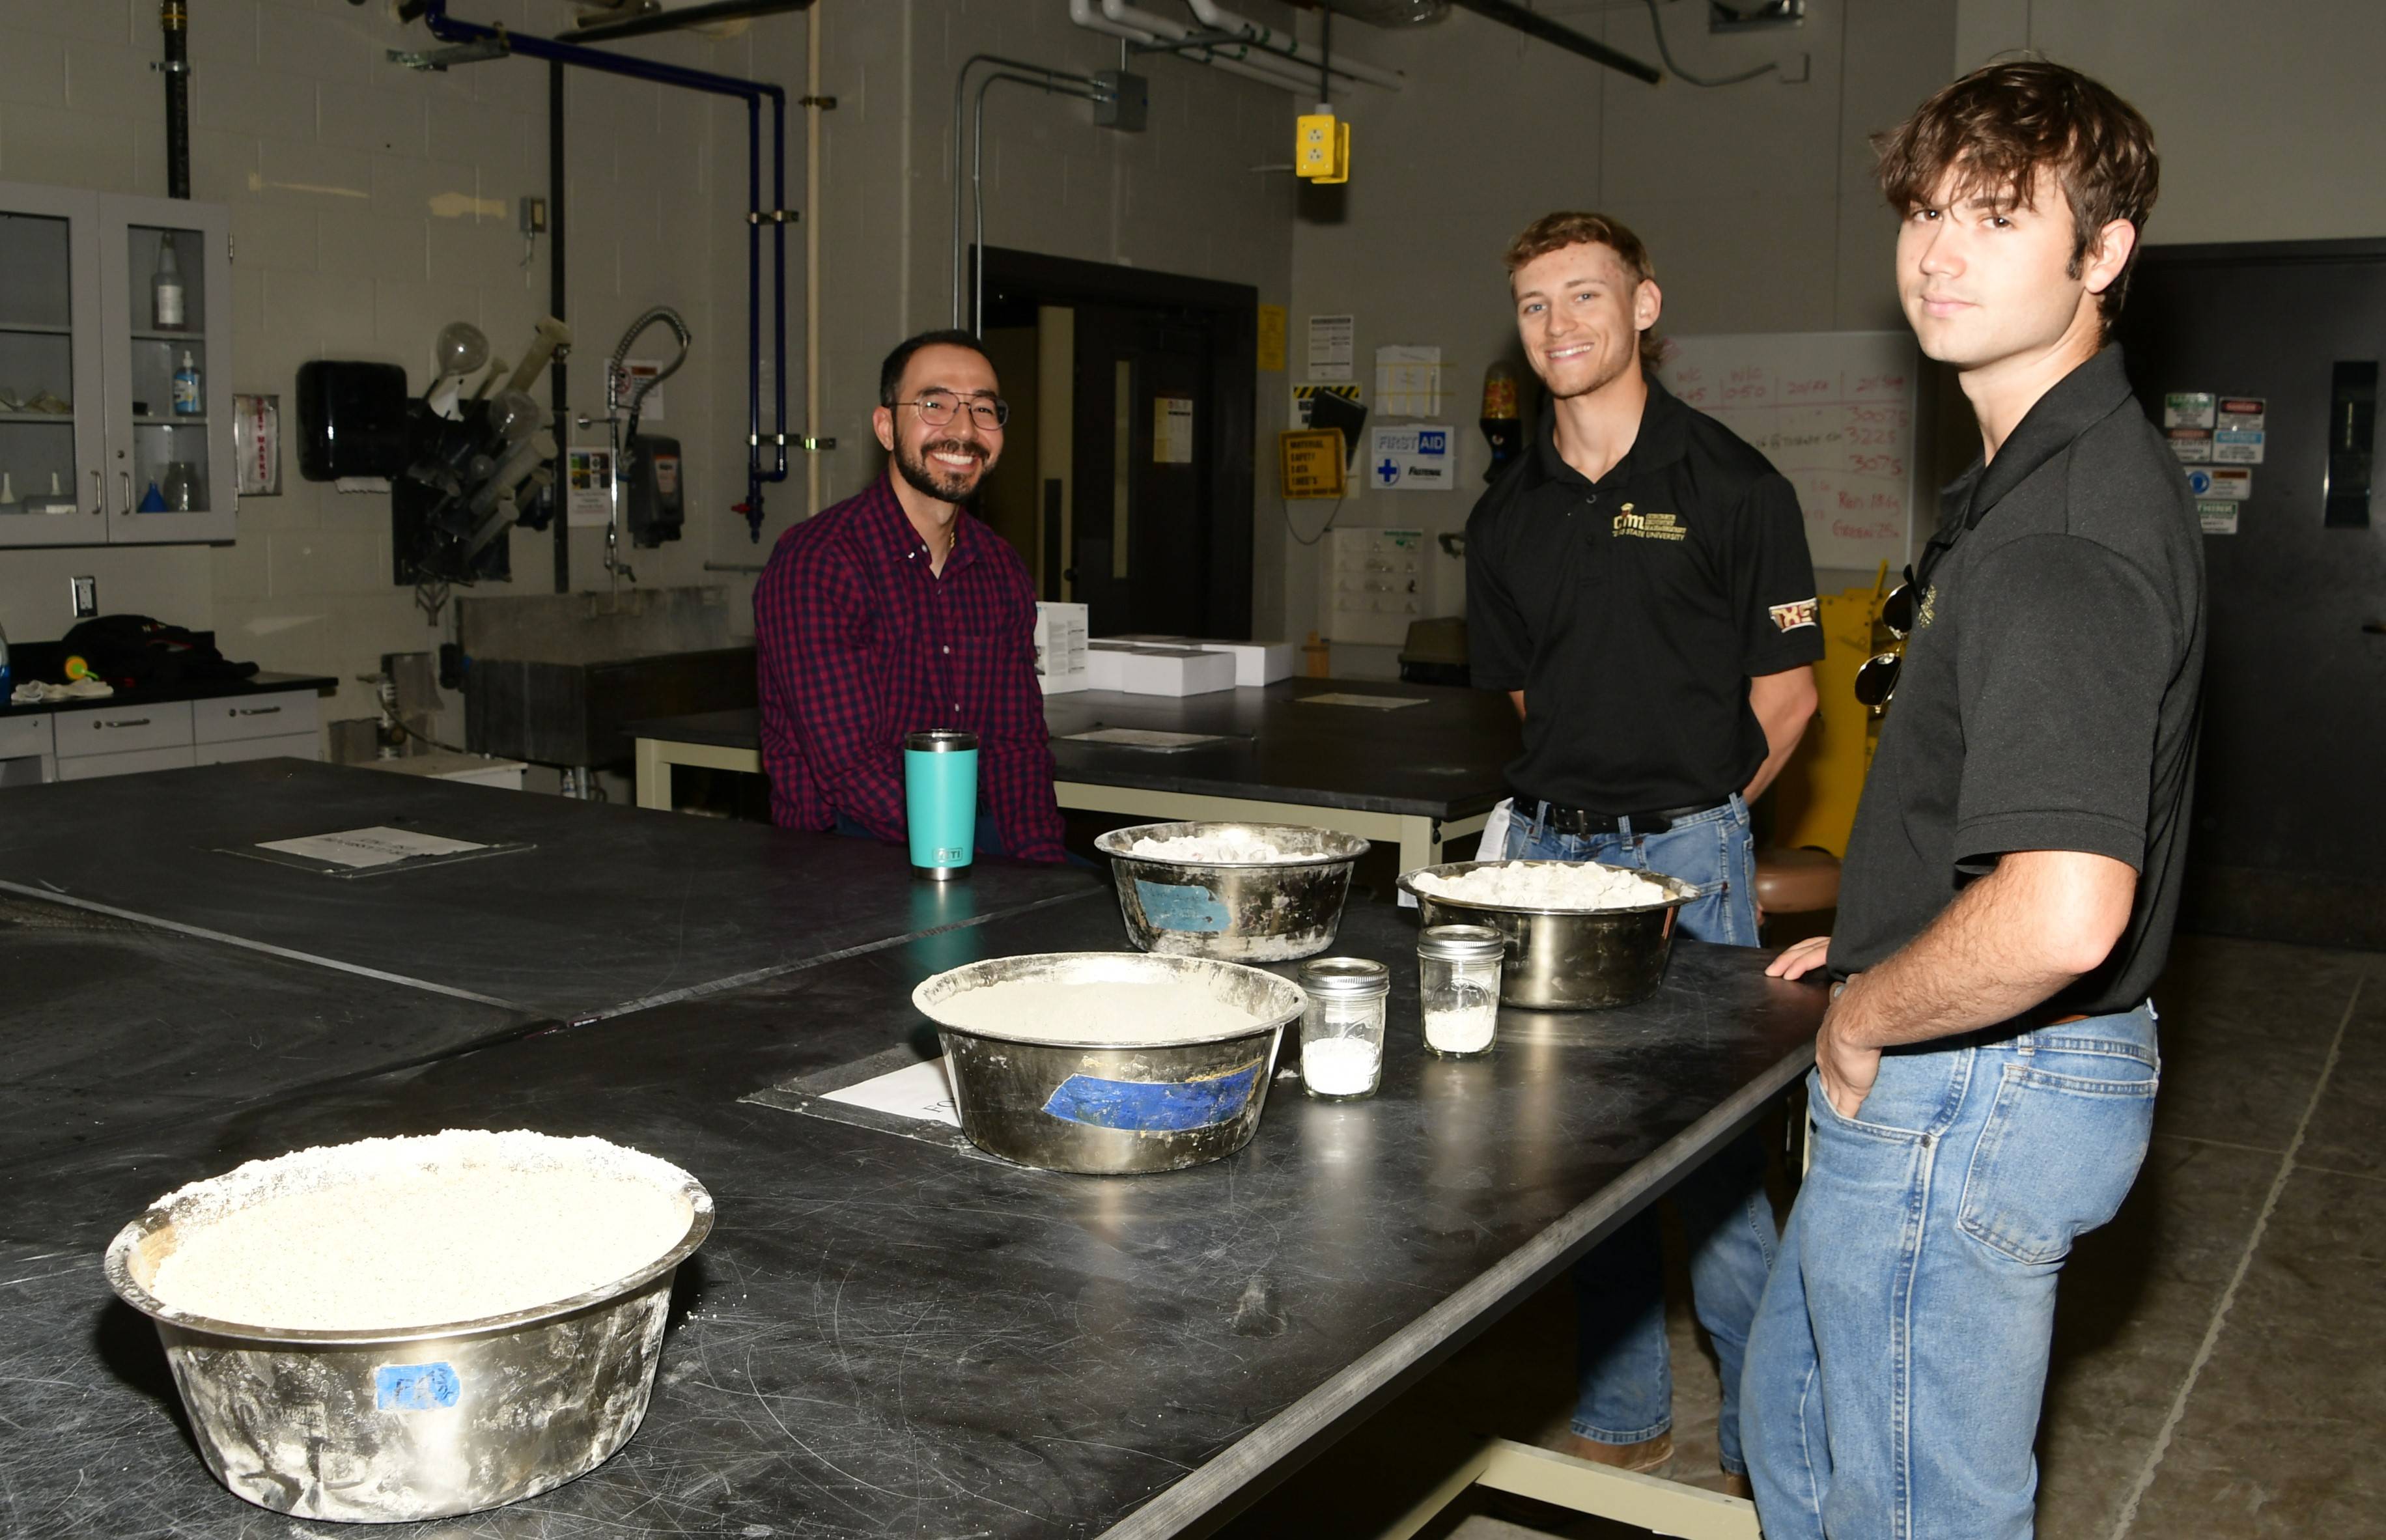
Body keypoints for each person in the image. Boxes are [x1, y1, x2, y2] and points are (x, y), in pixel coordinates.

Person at [1743, 62, 2203, 1540]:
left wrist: (1875, 1011)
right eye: (1925, 211)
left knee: (1909, 1507)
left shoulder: (2063, 524)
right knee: (1800, 1428)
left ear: (2101, 254)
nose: (1939, 251)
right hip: (1978, 1059)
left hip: (1979, 1088)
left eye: (1999, 218)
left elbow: (2064, 905)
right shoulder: (2014, 480)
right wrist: (1880, 935)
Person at [1466, 210, 1823, 1494]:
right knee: (1580, 1161)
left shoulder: (1732, 486)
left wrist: (1694, 820)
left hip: (1692, 860)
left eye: (1584, 296)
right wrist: (1583, 823)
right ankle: (1621, 1416)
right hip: (1548, 869)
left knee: (1718, 1172)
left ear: (1644, 306)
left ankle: (1764, 1446)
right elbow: (1530, 706)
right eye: (1533, 305)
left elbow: (1787, 703)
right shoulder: (1505, 515)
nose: (1558, 325)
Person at [753, 328, 1067, 863]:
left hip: (976, 844)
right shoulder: (820, 561)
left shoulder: (1000, 569)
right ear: (885, 427)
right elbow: (850, 769)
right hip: (845, 864)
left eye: (984, 410)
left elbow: (1017, 749)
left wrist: (1042, 871)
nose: (964, 429)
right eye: (935, 404)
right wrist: (975, 859)